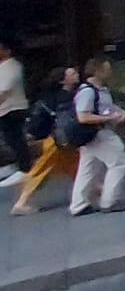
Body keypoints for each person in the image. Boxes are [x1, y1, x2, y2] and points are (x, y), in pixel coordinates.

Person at [11, 67, 81, 216]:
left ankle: (97, 189)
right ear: (63, 80)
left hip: (57, 139)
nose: (77, 74)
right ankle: (21, 202)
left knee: (76, 166)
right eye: (72, 73)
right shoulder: (65, 97)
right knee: (43, 170)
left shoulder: (51, 97)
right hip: (58, 141)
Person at [70, 59, 125, 216]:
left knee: (88, 168)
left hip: (92, 134)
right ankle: (109, 201)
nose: (109, 72)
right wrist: (110, 117)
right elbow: (83, 116)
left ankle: (79, 204)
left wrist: (117, 112)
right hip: (98, 132)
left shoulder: (96, 90)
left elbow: (104, 107)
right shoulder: (88, 91)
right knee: (119, 162)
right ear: (98, 71)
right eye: (106, 69)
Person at [0, 35, 30, 187]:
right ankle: (16, 166)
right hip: (5, 110)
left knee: (15, 139)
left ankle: (25, 169)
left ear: (7, 50)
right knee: (10, 139)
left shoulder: (12, 66)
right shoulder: (3, 67)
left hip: (12, 109)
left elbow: (3, 92)